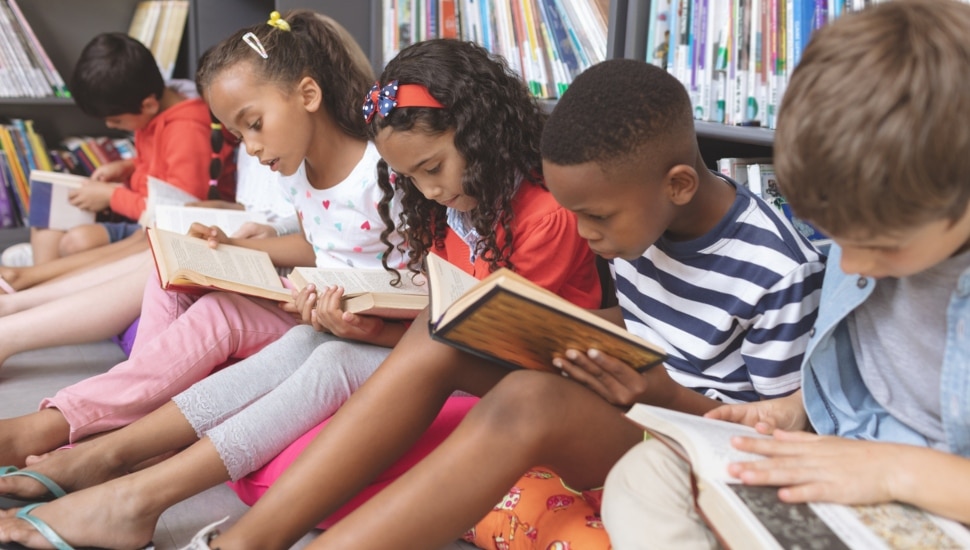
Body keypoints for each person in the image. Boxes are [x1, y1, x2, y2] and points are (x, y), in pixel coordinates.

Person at [170, 56, 818, 550]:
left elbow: (772, 436)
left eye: (594, 219)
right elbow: (654, 322)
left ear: (678, 184)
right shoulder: (641, 217)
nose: (588, 237)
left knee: (525, 401)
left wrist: (661, 393)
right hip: (637, 392)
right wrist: (578, 333)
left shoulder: (775, 269)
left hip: (684, 433)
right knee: (439, 330)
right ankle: (245, 542)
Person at [0, 37, 602, 550]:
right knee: (311, 342)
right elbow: (443, 321)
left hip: (509, 380)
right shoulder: (459, 207)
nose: (430, 189)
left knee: (331, 354)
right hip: (448, 358)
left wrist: (380, 336)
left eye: (433, 167)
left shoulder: (542, 218)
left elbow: (507, 347)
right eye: (414, 177)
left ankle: (131, 486)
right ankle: (117, 467)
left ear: (481, 132)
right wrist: (372, 327)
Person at [600, 2, 970, 547]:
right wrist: (795, 410)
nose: (857, 265)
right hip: (843, 448)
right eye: (839, 238)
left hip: (938, 492)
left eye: (882, 247)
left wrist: (893, 471)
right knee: (643, 481)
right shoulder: (878, 208)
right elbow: (867, 373)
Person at [0, 10, 395, 469]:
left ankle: (67, 423)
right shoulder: (299, 170)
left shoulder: (381, 173)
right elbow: (312, 245)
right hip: (305, 299)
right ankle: (125, 421)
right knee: (172, 274)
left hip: (344, 321)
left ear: (308, 94)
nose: (249, 147)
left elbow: (414, 280)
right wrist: (230, 248)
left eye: (254, 124)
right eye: (237, 134)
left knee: (218, 315)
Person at [0, 148, 297, 369]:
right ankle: (13, 308)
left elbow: (310, 237)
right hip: (258, 235)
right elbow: (298, 222)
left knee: (162, 254)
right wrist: (266, 226)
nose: (249, 147)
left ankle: (12, 321)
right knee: (156, 250)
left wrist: (259, 234)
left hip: (277, 263)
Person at [26, 32, 234, 265]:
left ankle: (42, 285)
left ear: (148, 104)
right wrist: (127, 167)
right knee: (45, 225)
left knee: (77, 242)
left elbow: (181, 207)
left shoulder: (188, 130)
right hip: (142, 211)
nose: (110, 126)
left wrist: (111, 196)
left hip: (165, 224)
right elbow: (160, 165)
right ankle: (38, 284)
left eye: (116, 121)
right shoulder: (151, 113)